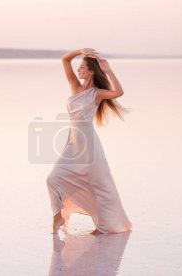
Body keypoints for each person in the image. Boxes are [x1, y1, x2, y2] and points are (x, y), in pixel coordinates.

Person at [46, 48, 132, 235]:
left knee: (99, 185)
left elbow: (118, 92)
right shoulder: (75, 87)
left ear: (91, 71)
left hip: (89, 145)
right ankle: (58, 215)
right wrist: (80, 51)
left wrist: (108, 70)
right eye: (79, 67)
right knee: (52, 178)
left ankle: (104, 225)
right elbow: (64, 59)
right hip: (72, 142)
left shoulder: (97, 94)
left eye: (82, 67)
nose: (79, 70)